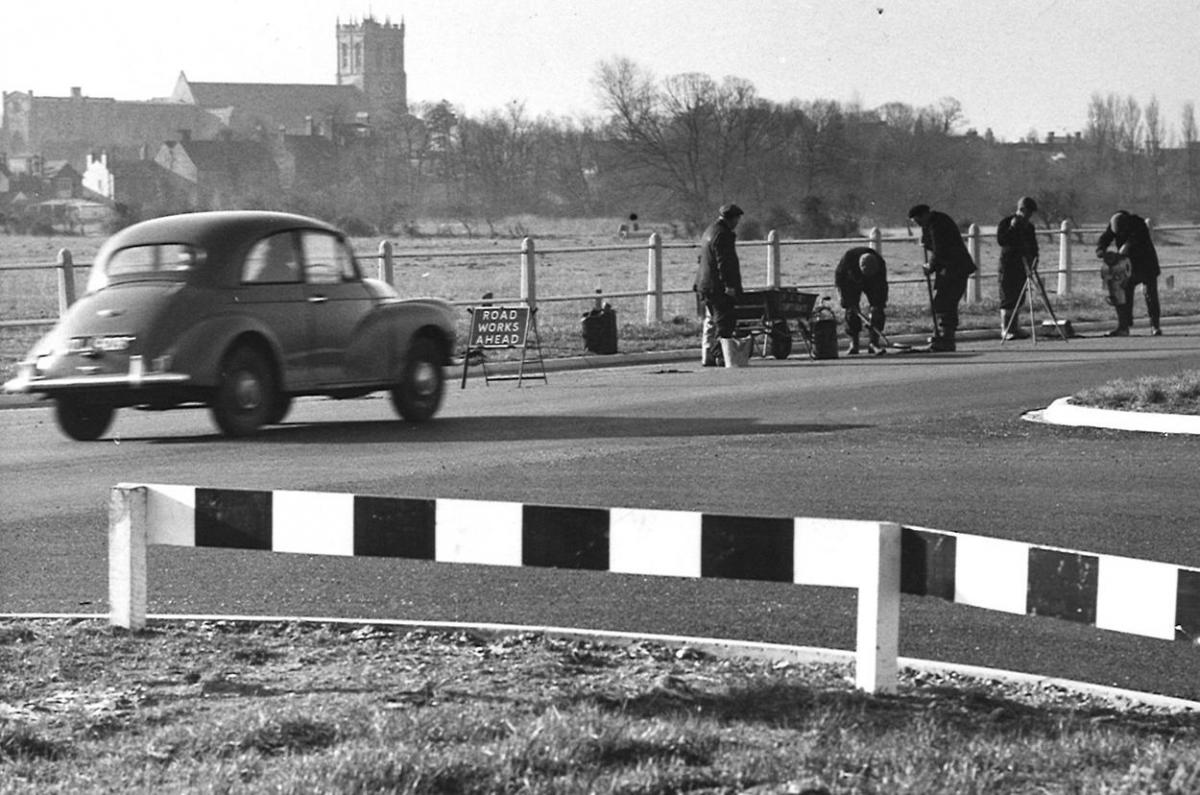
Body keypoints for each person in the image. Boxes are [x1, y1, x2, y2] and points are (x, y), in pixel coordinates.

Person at [907, 204, 977, 352]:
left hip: (955, 268)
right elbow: (930, 243)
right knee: (942, 303)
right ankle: (941, 337)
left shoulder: (939, 224)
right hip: (947, 268)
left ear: (924, 214)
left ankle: (946, 338)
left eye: (918, 220)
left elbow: (939, 250)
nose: (918, 224)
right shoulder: (931, 223)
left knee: (945, 302)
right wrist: (924, 240)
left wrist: (930, 267)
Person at [1095, 210, 1161, 336]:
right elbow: (1105, 238)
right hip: (1129, 265)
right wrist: (1101, 250)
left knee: (1150, 294)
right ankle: (1124, 326)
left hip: (1147, 263)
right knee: (1123, 294)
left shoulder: (1138, 224)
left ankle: (1155, 326)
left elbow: (1133, 241)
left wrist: (1125, 247)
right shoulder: (1114, 223)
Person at [695, 203, 745, 365]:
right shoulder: (724, 234)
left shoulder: (709, 231)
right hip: (717, 286)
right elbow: (724, 262)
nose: (737, 223)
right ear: (733, 219)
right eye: (737, 219)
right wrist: (729, 285)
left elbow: (702, 259)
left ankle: (707, 355)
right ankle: (721, 355)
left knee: (710, 321)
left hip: (704, 284)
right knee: (724, 321)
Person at [995, 196, 1039, 340]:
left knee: (1019, 297)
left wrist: (1034, 261)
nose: (1028, 216)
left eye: (1030, 213)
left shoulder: (1029, 227)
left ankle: (1014, 327)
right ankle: (1006, 329)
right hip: (1008, 265)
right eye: (1027, 212)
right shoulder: (1006, 223)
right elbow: (1002, 240)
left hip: (1023, 265)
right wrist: (1013, 227)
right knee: (1008, 296)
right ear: (1021, 210)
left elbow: (1033, 246)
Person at [834, 246, 889, 355]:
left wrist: (878, 306)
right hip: (851, 281)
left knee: (877, 309)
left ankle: (874, 343)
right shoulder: (848, 260)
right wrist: (843, 298)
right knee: (852, 310)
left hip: (874, 282)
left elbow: (882, 287)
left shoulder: (880, 264)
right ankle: (854, 343)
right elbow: (839, 280)